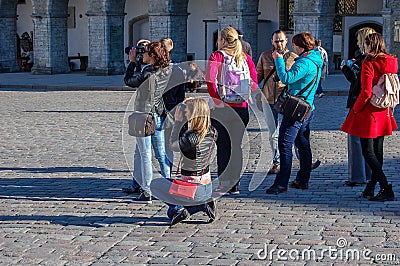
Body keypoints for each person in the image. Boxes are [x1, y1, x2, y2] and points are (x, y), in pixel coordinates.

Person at [341, 32, 397, 201]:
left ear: (369, 45)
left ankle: (386, 187)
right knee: (378, 151)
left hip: (369, 110)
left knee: (368, 152)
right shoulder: (392, 61)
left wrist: (356, 109)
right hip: (384, 109)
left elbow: (365, 91)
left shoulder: (369, 62)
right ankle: (371, 187)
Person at [266, 32, 323, 195]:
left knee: (284, 144)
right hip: (307, 107)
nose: (293, 47)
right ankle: (302, 179)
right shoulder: (315, 59)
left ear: (300, 46)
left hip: (296, 110)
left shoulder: (304, 62)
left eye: (294, 45)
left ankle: (281, 183)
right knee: (303, 144)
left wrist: (278, 60)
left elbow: (287, 78)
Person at [206, 26, 258, 195]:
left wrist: (217, 101)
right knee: (236, 146)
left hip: (223, 107)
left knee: (223, 146)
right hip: (241, 108)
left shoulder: (217, 56)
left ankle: (224, 183)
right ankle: (235, 184)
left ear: (222, 40)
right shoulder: (245, 58)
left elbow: (210, 81)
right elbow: (254, 82)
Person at [150, 98, 218, 225]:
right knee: (171, 214)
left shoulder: (191, 138)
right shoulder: (213, 131)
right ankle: (199, 205)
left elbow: (172, 145)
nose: (185, 114)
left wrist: (178, 121)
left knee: (155, 185)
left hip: (193, 189)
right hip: (207, 186)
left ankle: (198, 206)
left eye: (187, 112)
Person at [123, 41, 171, 203]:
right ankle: (169, 184)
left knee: (145, 154)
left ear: (152, 55)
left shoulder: (148, 73)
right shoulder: (164, 70)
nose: (141, 54)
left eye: (144, 52)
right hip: (158, 113)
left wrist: (131, 62)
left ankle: (147, 189)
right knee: (160, 153)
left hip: (145, 115)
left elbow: (129, 81)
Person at [256, 30, 297, 175]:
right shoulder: (265, 56)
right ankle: (277, 162)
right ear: (272, 42)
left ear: (286, 41)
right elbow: (258, 76)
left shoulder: (293, 57)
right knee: (273, 132)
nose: (279, 43)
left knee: (292, 130)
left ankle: (302, 159)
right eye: (276, 41)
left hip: (286, 100)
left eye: (281, 40)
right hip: (268, 99)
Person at [341, 27, 375, 187]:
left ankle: (357, 176)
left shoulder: (364, 59)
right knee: (367, 140)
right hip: (371, 105)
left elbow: (357, 83)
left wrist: (346, 68)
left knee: (355, 139)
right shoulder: (375, 57)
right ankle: (368, 173)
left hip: (359, 101)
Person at [159, 37, 186, 171]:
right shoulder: (178, 70)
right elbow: (181, 94)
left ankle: (167, 172)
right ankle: (169, 171)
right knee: (168, 143)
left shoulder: (155, 70)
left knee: (160, 147)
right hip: (172, 109)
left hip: (159, 111)